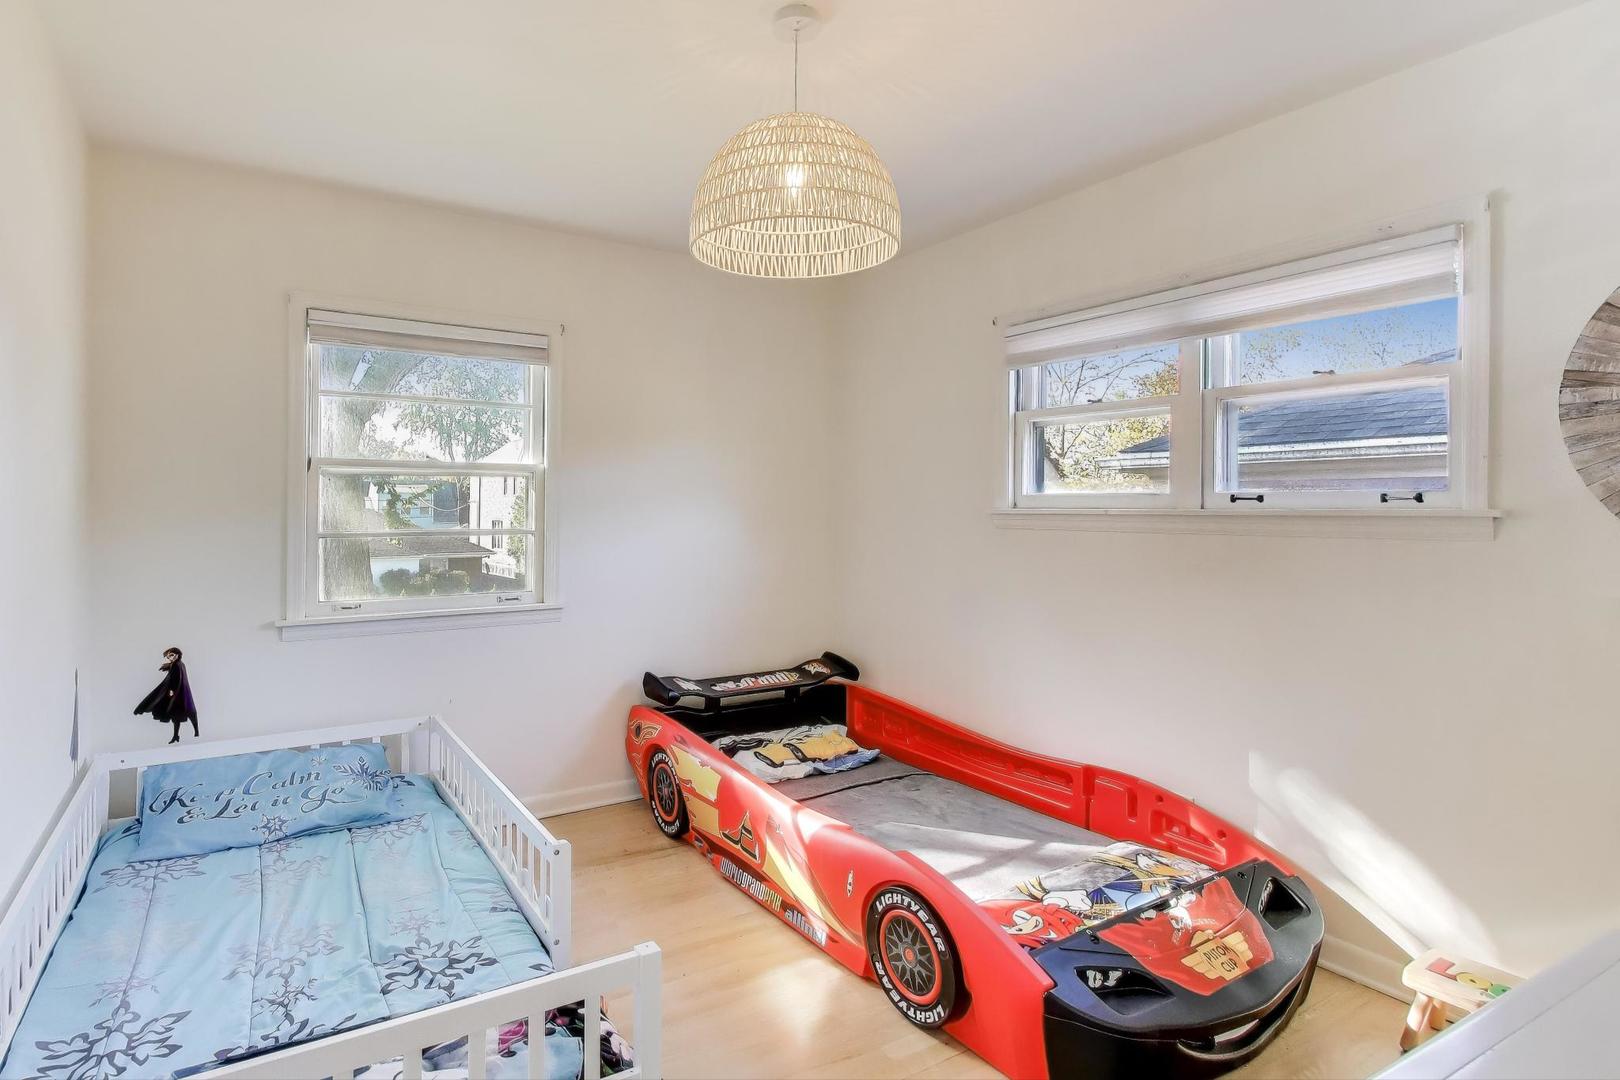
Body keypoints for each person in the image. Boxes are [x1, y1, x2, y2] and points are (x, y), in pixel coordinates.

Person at [133, 646, 198, 744]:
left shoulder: (177, 665)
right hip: (182, 693)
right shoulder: (179, 664)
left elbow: (176, 679)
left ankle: (194, 733)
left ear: (177, 654)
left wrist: (171, 690)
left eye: (171, 655)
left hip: (179, 693)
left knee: (184, 713)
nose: (170, 658)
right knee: (178, 714)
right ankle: (178, 735)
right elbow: (175, 675)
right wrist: (169, 667)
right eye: (168, 657)